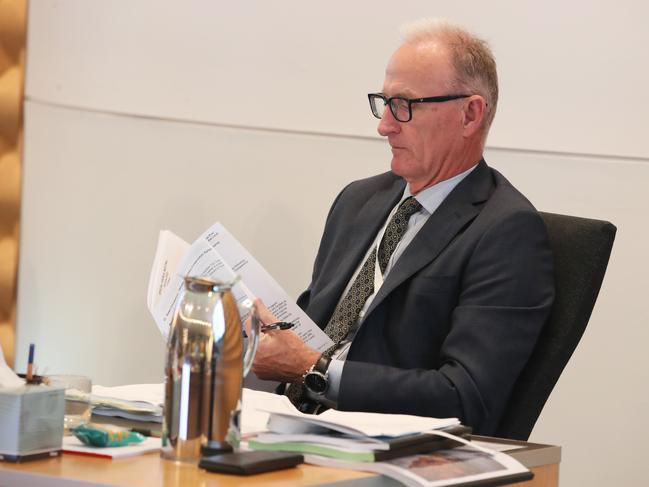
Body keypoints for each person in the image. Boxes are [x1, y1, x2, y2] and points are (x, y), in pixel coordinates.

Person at [251, 18, 554, 435]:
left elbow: (465, 397)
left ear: (470, 113)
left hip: (377, 449)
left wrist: (312, 370)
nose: (385, 125)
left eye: (405, 105)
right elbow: (316, 329)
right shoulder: (358, 201)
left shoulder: (507, 231)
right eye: (384, 102)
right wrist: (259, 339)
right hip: (278, 426)